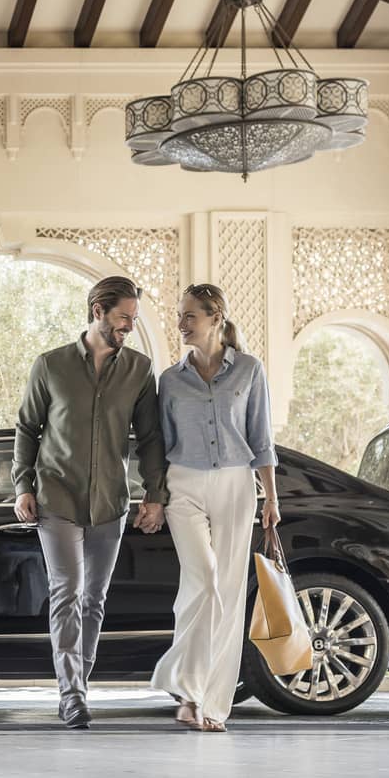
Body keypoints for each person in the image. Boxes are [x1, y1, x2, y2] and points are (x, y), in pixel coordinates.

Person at [12, 276, 168, 730]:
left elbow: (151, 438)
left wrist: (154, 495)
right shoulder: (51, 365)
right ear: (98, 310)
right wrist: (23, 485)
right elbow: (27, 428)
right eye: (123, 318)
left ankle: (80, 683)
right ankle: (72, 694)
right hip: (57, 497)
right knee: (67, 593)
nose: (129, 328)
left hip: (110, 503)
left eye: (133, 320)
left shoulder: (139, 370)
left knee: (94, 600)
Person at [148, 283, 278, 733]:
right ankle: (184, 683)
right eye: (180, 315)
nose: (181, 323)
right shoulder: (170, 379)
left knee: (226, 593)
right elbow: (160, 444)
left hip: (236, 485)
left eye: (189, 316)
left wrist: (271, 499)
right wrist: (155, 496)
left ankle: (208, 702)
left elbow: (261, 440)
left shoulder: (249, 370)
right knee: (202, 583)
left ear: (215, 317)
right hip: (182, 483)